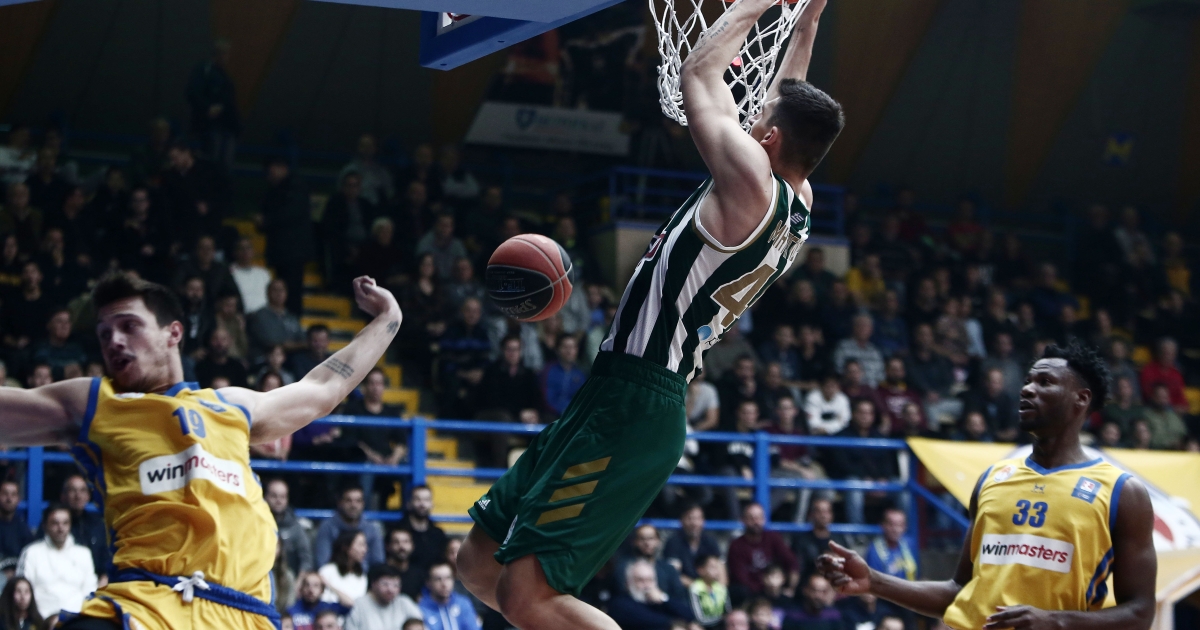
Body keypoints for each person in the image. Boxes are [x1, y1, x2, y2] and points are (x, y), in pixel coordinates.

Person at [456, 2, 841, 629]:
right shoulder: (797, 200)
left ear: (769, 140)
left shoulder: (750, 182)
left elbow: (696, 73)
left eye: (760, 117)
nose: (749, 115)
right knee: (477, 563)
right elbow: (787, 97)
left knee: (528, 596)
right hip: (615, 391)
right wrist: (807, 21)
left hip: (638, 403)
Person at [0, 270, 401, 629]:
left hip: (245, 615)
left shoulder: (232, 406)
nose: (114, 341)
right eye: (104, 334)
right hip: (147, 604)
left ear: (173, 333)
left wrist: (389, 318)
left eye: (129, 326)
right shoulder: (97, 403)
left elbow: (323, 389)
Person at [818, 341, 1157, 630]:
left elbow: (1140, 613)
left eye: (1045, 382)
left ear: (1080, 399)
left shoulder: (1122, 492)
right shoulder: (993, 479)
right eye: (1027, 381)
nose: (1027, 389)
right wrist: (874, 581)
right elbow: (959, 591)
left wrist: (1056, 621)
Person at [16, 504, 96, 619]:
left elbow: (90, 591)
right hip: (40, 621)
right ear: (45, 525)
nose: (60, 528)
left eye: (65, 523)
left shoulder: (84, 554)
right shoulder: (31, 552)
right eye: (55, 523)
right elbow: (22, 591)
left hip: (76, 621)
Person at [726, 503, 799, 604]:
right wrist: (764, 589)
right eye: (751, 518)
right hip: (751, 593)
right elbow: (740, 577)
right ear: (743, 520)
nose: (756, 522)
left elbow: (792, 563)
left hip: (775, 589)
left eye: (759, 518)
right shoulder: (736, 545)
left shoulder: (773, 538)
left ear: (764, 519)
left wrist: (790, 588)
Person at [607, 560, 696, 630]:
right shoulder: (619, 603)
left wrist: (664, 598)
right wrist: (675, 624)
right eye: (640, 580)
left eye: (650, 580)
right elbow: (647, 620)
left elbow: (689, 615)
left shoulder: (658, 602)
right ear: (628, 583)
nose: (647, 585)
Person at [865, 508, 917, 624]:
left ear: (905, 527)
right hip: (885, 601)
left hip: (909, 599)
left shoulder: (910, 545)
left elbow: (917, 575)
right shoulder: (874, 550)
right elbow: (875, 583)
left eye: (900, 525)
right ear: (883, 525)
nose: (895, 529)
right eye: (891, 524)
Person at [56, 475, 109, 586]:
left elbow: (106, 558)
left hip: (96, 584)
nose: (78, 496)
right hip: (63, 583)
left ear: (88, 496)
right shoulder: (55, 523)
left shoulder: (98, 524)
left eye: (82, 490)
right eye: (73, 490)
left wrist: (104, 578)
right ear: (63, 496)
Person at [315, 486, 386, 570]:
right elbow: (323, 563)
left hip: (366, 576)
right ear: (340, 503)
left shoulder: (372, 529)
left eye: (358, 501)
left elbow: (378, 563)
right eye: (348, 501)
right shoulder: (327, 527)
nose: (353, 505)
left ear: (363, 504)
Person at [619, 525, 689, 604]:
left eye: (651, 538)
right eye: (642, 539)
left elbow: (680, 599)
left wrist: (663, 597)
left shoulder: (669, 569)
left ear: (658, 541)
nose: (647, 543)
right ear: (635, 542)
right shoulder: (624, 567)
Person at [344, 565, 422, 630]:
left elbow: (421, 625)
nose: (391, 590)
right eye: (385, 584)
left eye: (395, 585)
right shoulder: (359, 605)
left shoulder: (404, 602)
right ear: (373, 584)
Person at [661, 504, 721, 586]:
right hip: (683, 588)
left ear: (703, 521)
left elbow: (720, 568)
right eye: (690, 518)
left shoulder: (710, 541)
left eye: (698, 518)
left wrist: (721, 589)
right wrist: (697, 587)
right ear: (681, 520)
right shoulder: (673, 542)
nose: (694, 523)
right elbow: (673, 573)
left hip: (709, 587)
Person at [265, 479, 316, 576]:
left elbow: (306, 560)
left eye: (282, 497)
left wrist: (298, 583)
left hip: (289, 579)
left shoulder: (295, 527)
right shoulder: (258, 524)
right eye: (274, 496)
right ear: (265, 497)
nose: (278, 501)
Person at [791, 498, 849, 581]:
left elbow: (847, 565)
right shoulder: (801, 540)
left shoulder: (840, 540)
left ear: (832, 515)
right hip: (808, 583)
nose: (823, 515)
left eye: (827, 512)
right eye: (819, 511)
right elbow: (797, 568)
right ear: (811, 514)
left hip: (834, 583)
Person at [247, 278, 307, 359]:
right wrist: (295, 345)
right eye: (275, 290)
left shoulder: (291, 317)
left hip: (291, 359)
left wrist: (294, 345)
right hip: (265, 359)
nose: (279, 293)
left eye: (282, 290)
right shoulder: (260, 316)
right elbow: (274, 344)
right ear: (267, 293)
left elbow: (303, 341)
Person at [398, 486, 448, 573]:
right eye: (418, 499)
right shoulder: (399, 531)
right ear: (409, 503)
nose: (422, 504)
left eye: (426, 500)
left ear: (432, 504)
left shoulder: (438, 534)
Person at [418, 562, 480, 630]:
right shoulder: (421, 609)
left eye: (448, 578)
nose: (444, 584)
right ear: (428, 583)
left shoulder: (463, 603)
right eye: (438, 579)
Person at [320, 530, 370, 610]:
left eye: (365, 545)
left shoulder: (362, 576)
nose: (364, 550)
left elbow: (356, 605)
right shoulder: (327, 571)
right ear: (346, 547)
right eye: (360, 545)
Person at [380, 529, 427, 601]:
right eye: (396, 542)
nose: (402, 547)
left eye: (406, 542)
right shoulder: (378, 572)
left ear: (413, 546)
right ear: (388, 546)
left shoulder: (419, 574)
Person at [230, 237, 273, 314]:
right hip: (242, 315)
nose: (245, 251)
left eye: (248, 248)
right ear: (235, 252)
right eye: (241, 248)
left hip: (264, 315)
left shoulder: (263, 273)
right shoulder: (230, 273)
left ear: (252, 251)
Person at [687, 555, 728, 629]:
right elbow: (699, 619)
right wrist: (721, 619)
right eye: (712, 567)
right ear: (701, 570)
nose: (716, 571)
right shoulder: (695, 589)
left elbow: (728, 612)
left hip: (721, 625)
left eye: (717, 567)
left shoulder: (721, 588)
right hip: (705, 627)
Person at [0, 482, 33, 568]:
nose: (9, 499)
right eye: (5, 494)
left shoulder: (23, 528)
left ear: (18, 499)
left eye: (13, 495)